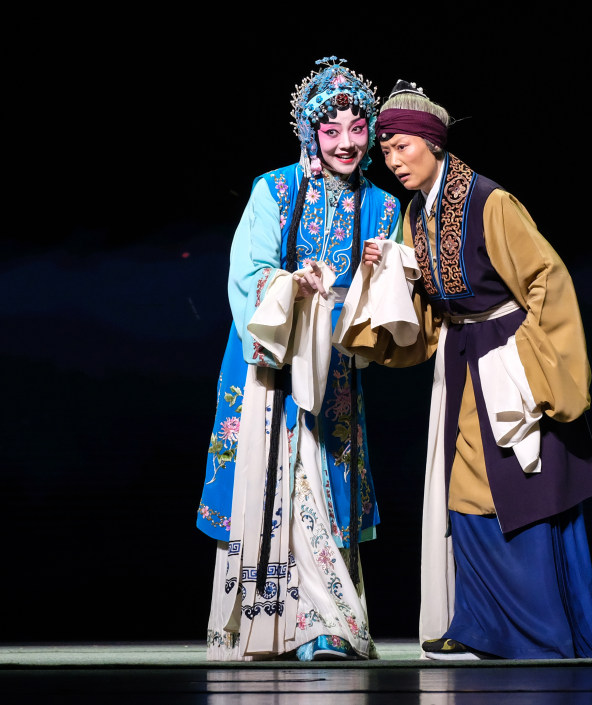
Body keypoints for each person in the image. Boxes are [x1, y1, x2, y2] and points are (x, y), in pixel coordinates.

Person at [347, 80, 592, 660]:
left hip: (509, 355)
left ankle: (541, 633)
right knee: (467, 487)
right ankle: (482, 625)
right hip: (462, 354)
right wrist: (390, 267)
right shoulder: (416, 212)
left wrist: (531, 363)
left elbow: (547, 278)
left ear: (434, 143)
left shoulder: (491, 202)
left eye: (403, 147)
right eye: (386, 152)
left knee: (519, 484)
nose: (394, 161)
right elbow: (429, 299)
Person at [196, 57, 402, 662]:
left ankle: (325, 624)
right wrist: (293, 285)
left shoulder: (384, 207)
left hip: (333, 369)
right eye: (331, 131)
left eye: (357, 129)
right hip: (270, 363)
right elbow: (248, 275)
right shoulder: (275, 189)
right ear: (311, 133)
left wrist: (382, 269)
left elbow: (392, 304)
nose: (346, 143)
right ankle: (271, 627)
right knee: (273, 480)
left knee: (324, 483)